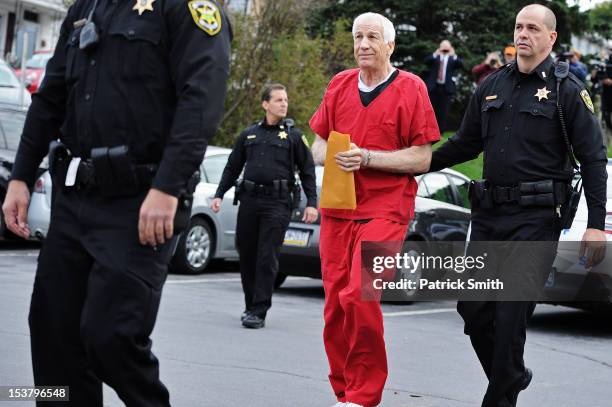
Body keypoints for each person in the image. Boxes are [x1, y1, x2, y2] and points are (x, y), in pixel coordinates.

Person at [2, 1, 231, 406]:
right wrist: (20, 176)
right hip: (74, 199)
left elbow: (200, 100)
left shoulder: (186, 9)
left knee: (111, 337)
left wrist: (167, 186)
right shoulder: (86, 6)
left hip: (140, 203)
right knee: (52, 332)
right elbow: (50, 97)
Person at [428, 4, 607, 407]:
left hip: (537, 221)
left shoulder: (567, 90)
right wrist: (417, 164)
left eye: (532, 28)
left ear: (551, 38)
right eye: (518, 27)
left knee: (510, 321)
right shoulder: (492, 85)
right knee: (473, 311)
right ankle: (512, 374)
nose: (522, 34)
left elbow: (595, 159)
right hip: (490, 218)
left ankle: (500, 398)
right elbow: (464, 144)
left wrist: (595, 224)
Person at [310, 12, 439, 407]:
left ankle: (363, 396)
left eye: (372, 37)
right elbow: (316, 147)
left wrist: (366, 158)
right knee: (334, 305)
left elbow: (421, 158)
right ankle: (344, 392)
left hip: (386, 211)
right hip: (338, 209)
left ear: (390, 46)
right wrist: (333, 156)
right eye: (357, 37)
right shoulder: (339, 85)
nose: (363, 44)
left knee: (359, 296)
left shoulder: (412, 88)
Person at [212, 83, 318, 329]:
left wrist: (312, 203)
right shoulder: (249, 135)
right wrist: (219, 194)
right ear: (265, 104)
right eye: (279, 100)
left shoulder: (293, 136)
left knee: (266, 255)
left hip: (277, 203)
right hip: (249, 200)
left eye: (286, 100)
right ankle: (251, 305)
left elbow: (308, 171)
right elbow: (232, 167)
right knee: (247, 252)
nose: (284, 104)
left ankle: (259, 310)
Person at [424, 39, 463, 133]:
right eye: (443, 46)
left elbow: (460, 64)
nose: (445, 48)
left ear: (450, 47)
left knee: (444, 110)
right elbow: (426, 61)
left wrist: (453, 55)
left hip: (447, 88)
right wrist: (435, 53)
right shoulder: (435, 57)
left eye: (447, 46)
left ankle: (441, 131)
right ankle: (430, 130)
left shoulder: (452, 58)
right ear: (440, 47)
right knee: (431, 109)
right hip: (434, 87)